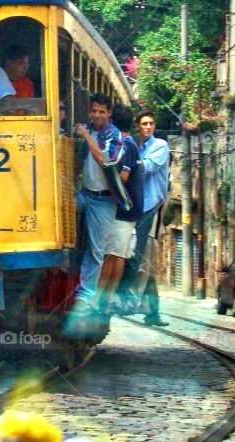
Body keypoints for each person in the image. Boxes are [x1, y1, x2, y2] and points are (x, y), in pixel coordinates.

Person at [67, 93, 122, 328]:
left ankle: (85, 297)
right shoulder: (87, 127)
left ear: (109, 113)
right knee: (57, 210)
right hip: (85, 194)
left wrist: (88, 136)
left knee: (96, 250)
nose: (97, 115)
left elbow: (105, 160)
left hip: (104, 201)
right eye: (94, 111)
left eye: (102, 111)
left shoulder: (114, 135)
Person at [121, 111, 171, 325]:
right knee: (145, 259)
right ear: (138, 126)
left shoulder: (159, 146)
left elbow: (145, 168)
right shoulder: (136, 145)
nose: (148, 127)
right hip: (137, 206)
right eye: (144, 124)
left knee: (137, 254)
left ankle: (127, 299)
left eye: (151, 123)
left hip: (149, 208)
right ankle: (153, 312)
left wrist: (126, 162)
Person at [100, 105, 145, 317]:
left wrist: (105, 183)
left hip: (124, 210)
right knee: (120, 255)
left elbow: (123, 178)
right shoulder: (133, 144)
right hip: (133, 211)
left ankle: (103, 299)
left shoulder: (125, 145)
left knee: (113, 255)